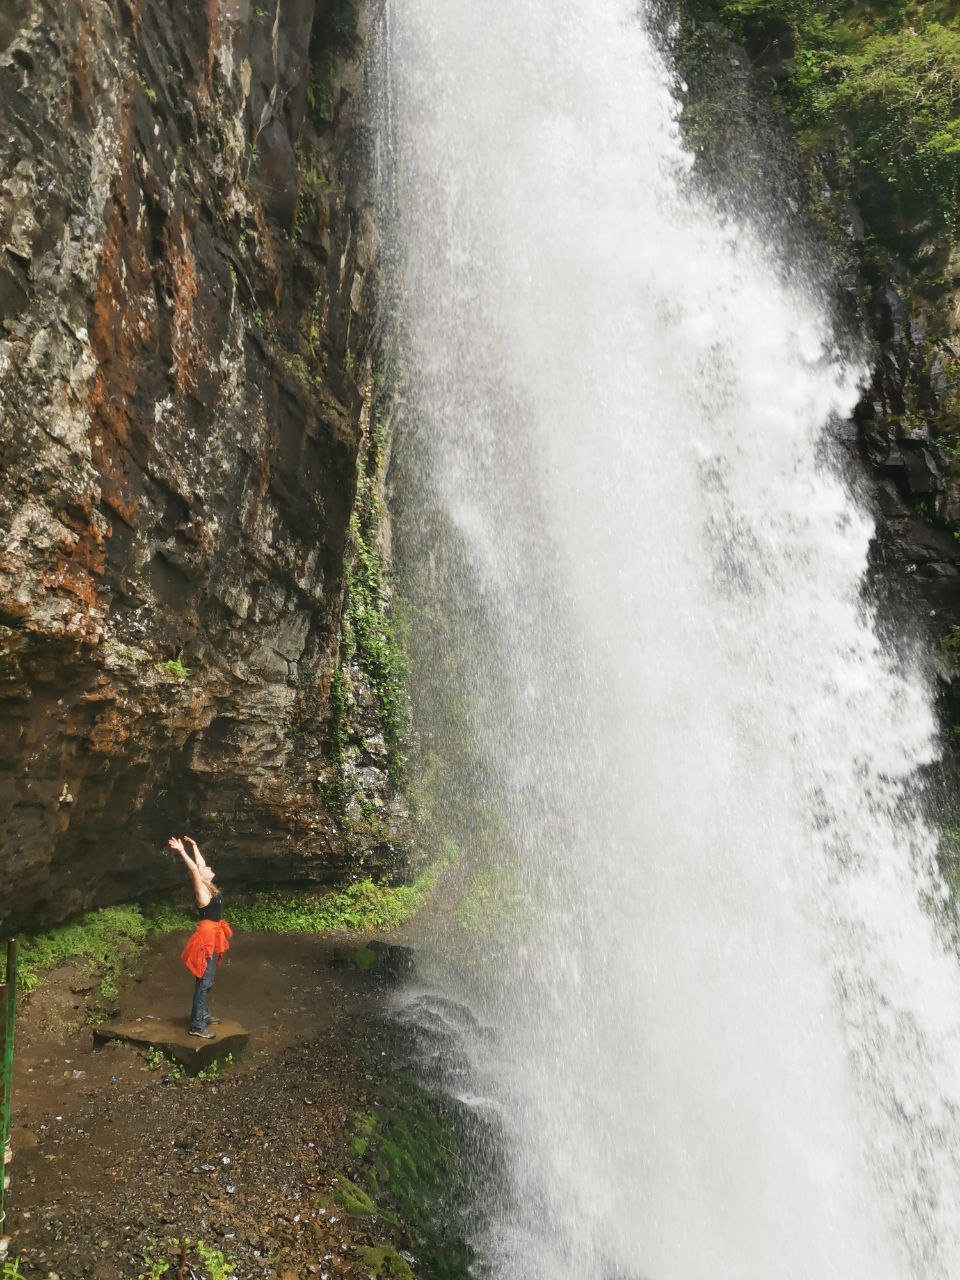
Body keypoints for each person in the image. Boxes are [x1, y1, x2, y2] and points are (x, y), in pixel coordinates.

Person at [168, 835, 233, 1039]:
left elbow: (200, 865)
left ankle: (202, 1014)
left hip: (213, 935)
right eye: (204, 868)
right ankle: (196, 1025)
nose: (207, 866)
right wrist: (181, 852)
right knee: (204, 980)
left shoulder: (210, 887)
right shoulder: (202, 892)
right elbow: (196, 869)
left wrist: (195, 845)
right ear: (201, 876)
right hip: (206, 938)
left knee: (209, 979)